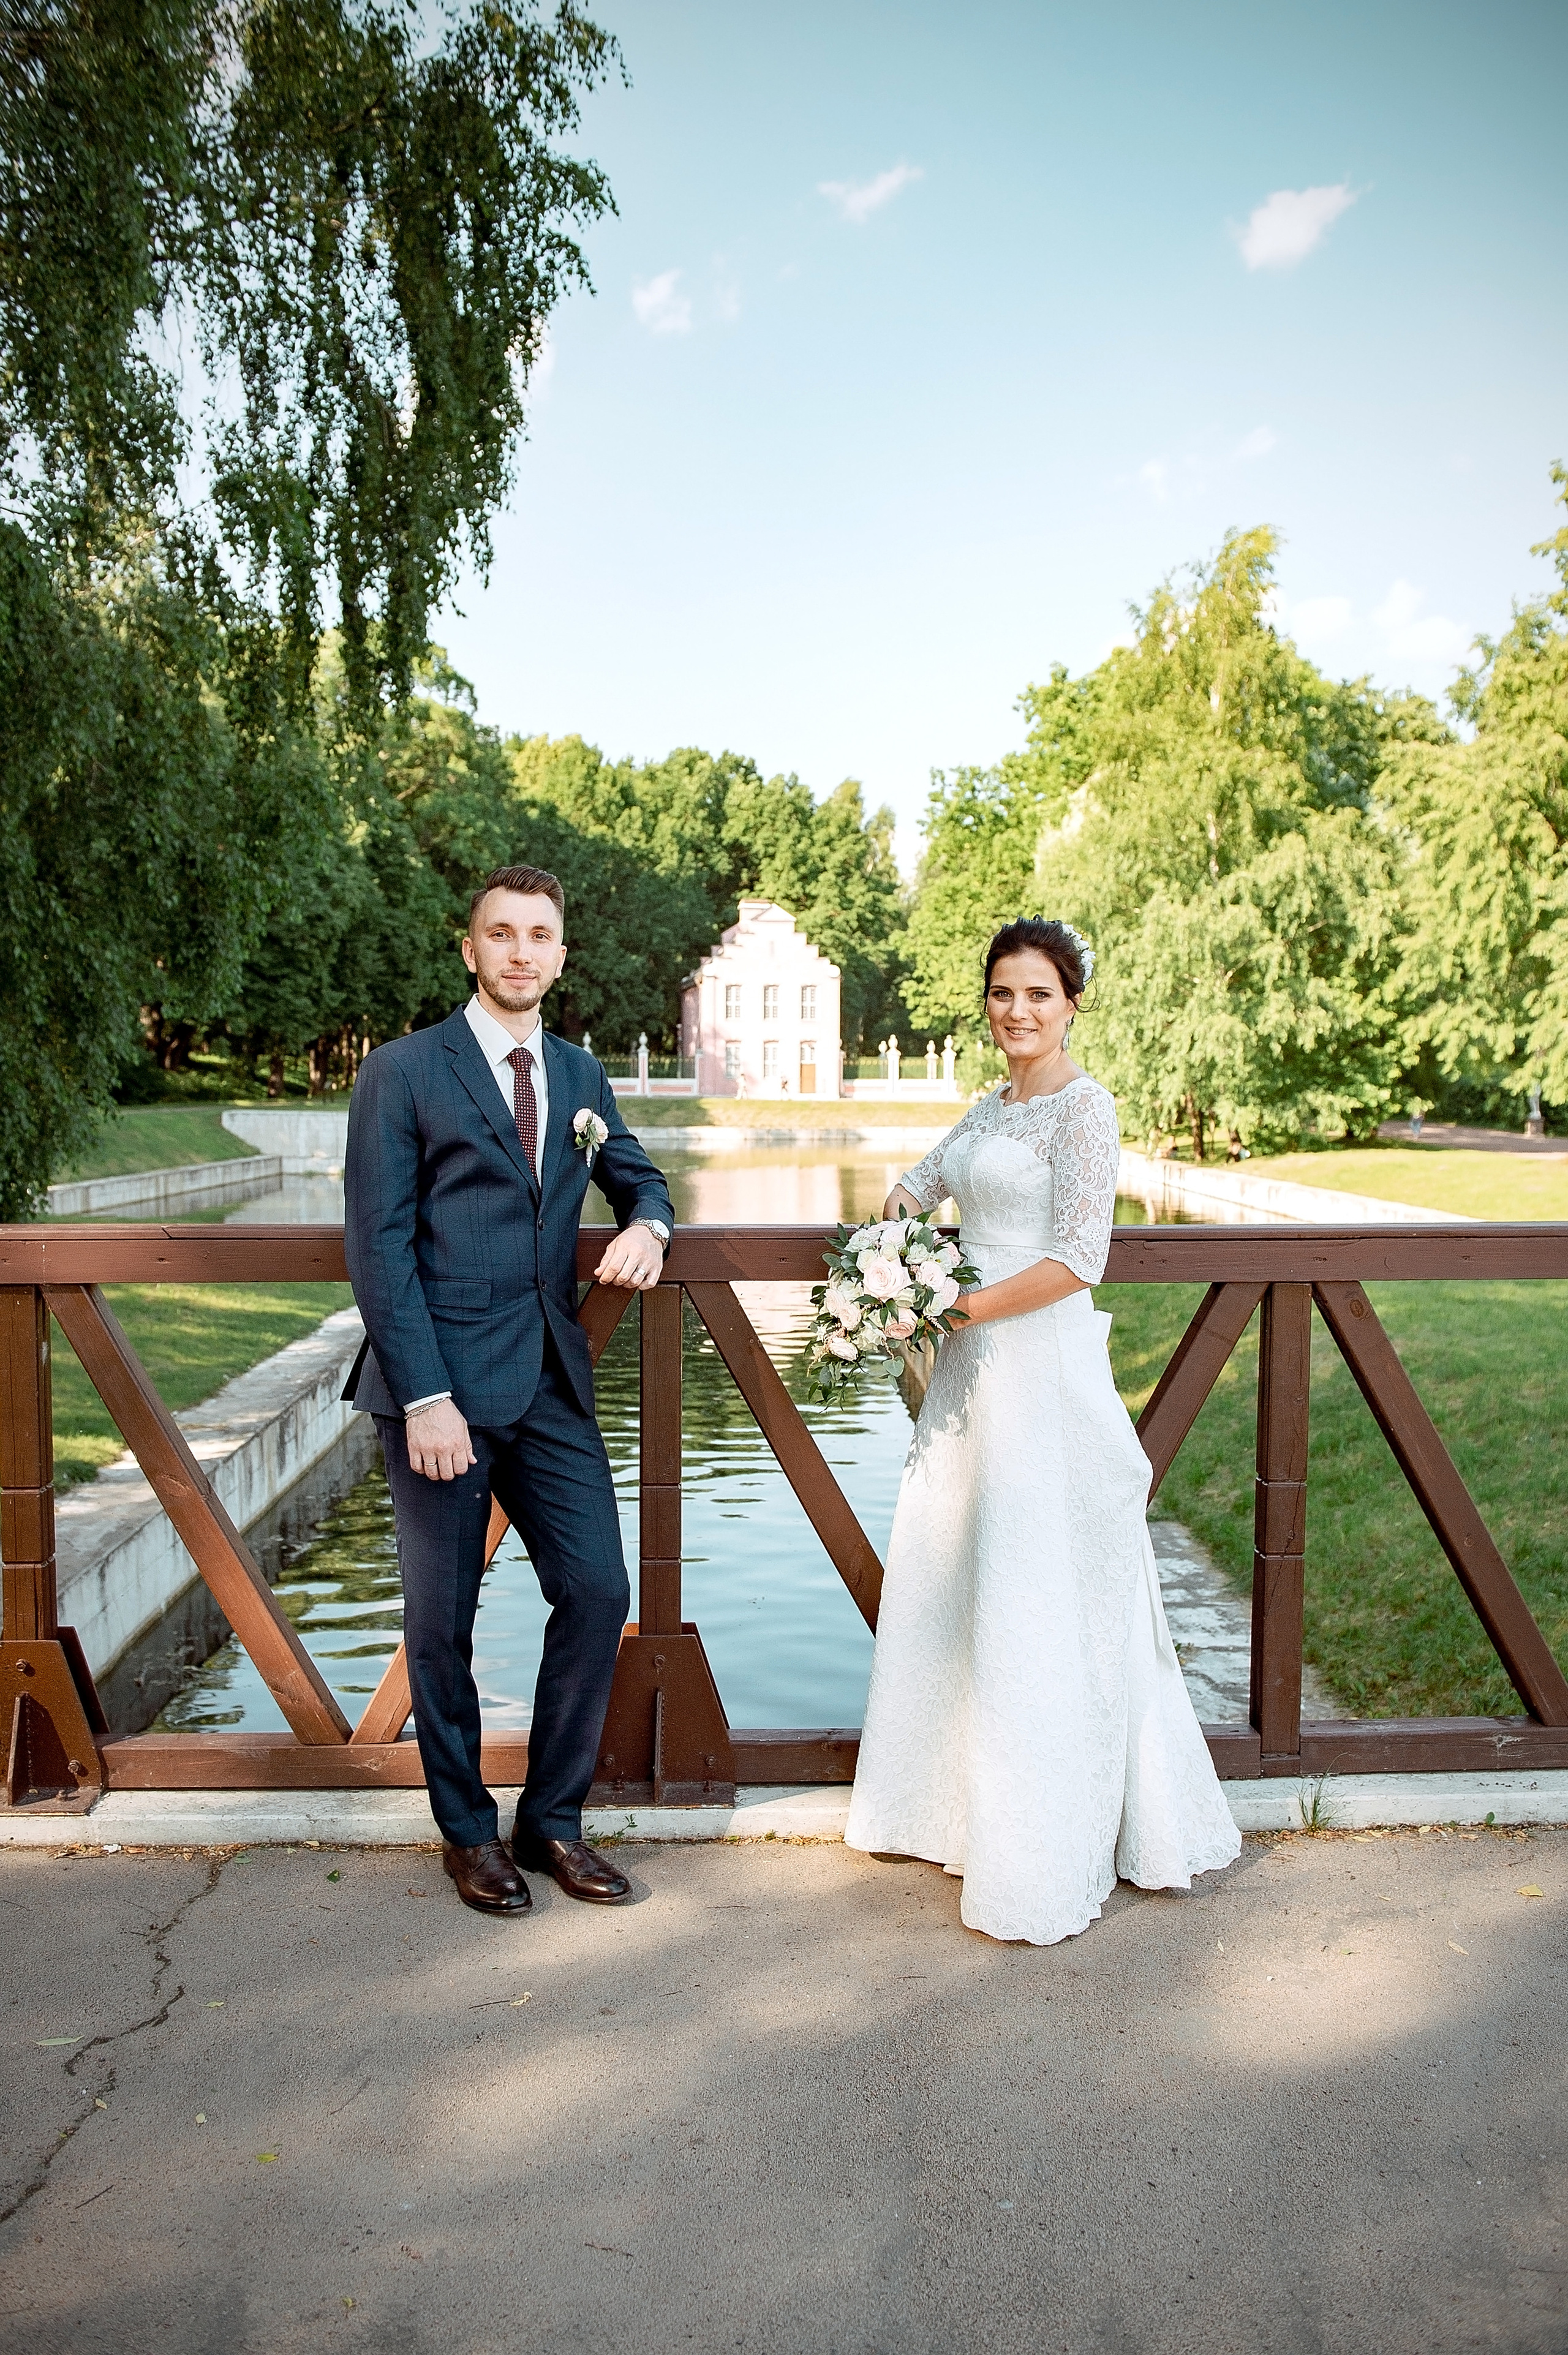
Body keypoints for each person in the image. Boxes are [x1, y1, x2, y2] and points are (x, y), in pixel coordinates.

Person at [844, 918, 1240, 1944]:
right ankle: (955, 1812)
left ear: (1071, 1005)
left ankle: (1047, 1838)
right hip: (967, 1381)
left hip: (1037, 1371)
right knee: (960, 1572)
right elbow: (919, 1182)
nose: (1017, 1010)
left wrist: (951, 1308)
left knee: (1036, 1589)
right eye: (1002, 993)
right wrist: (896, 1243)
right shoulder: (992, 1105)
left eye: (1038, 994)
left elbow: (1077, 1259)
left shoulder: (1084, 1107)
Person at [342, 864, 676, 1916]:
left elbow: (638, 1173)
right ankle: (468, 1834)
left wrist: (649, 1224)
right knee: (442, 1623)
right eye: (502, 932)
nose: (521, 951)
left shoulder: (579, 1074)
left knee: (598, 1589)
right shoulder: (402, 1072)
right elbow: (379, 1249)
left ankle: (552, 1821)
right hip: (439, 1391)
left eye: (539, 934)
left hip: (549, 1382)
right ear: (471, 949)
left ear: (561, 955)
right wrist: (424, 1395)